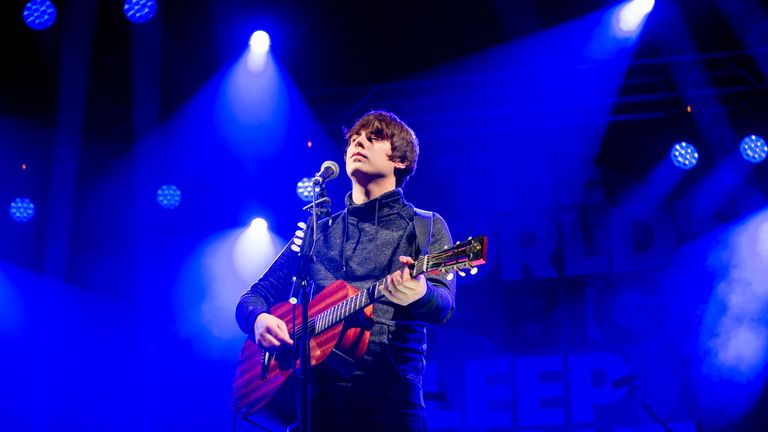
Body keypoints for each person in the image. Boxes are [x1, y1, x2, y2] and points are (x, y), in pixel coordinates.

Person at [236, 111, 456, 431]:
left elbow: (444, 306)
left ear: (401, 160)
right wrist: (257, 319)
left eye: (374, 137)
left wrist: (421, 293)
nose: (358, 142)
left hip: (392, 401)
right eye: (354, 138)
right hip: (316, 404)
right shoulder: (317, 231)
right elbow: (253, 296)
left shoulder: (426, 226)